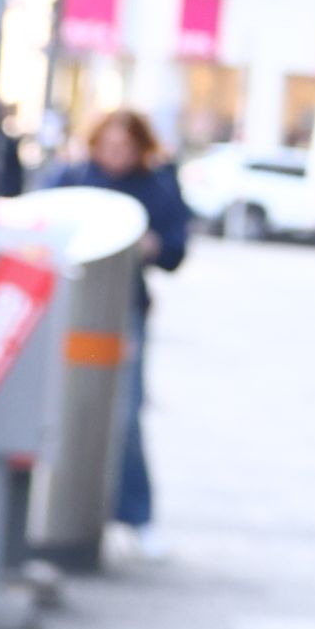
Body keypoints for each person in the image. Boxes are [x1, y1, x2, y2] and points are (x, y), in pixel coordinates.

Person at [41, 105, 189, 559]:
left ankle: (137, 517)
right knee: (59, 406)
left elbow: (177, 249)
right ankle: (54, 510)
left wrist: (154, 246)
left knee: (123, 412)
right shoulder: (72, 177)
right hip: (66, 310)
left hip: (120, 314)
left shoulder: (156, 185)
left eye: (125, 147)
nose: (116, 155)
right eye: (108, 145)